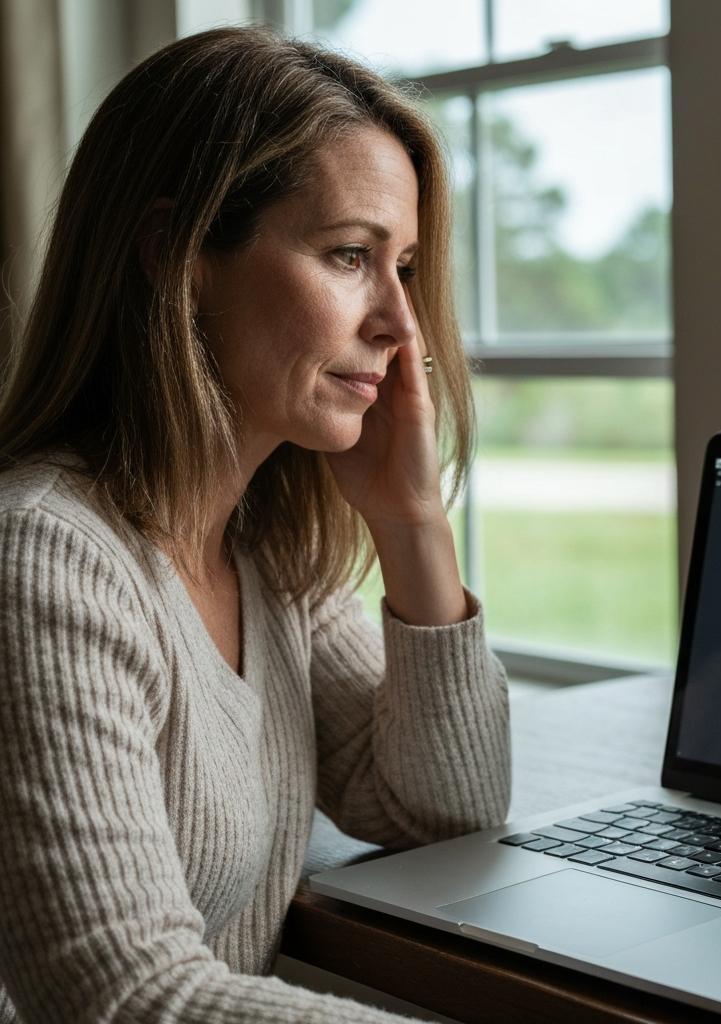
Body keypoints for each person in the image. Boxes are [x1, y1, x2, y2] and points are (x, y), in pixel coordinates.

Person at [0, 25, 510, 1024]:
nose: (401, 327)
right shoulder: (43, 561)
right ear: (174, 252)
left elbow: (437, 809)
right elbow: (121, 997)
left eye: (403, 266)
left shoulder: (267, 549)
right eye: (350, 255)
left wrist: (411, 519)